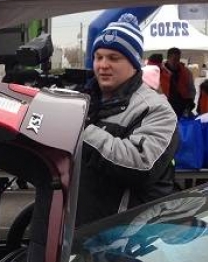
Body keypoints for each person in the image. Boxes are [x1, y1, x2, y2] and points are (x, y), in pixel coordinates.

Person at [77, 13, 179, 227]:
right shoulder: (81, 100)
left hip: (123, 238)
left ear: (134, 63)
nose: (103, 65)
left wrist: (78, 129)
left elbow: (141, 165)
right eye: (99, 57)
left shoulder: (156, 109)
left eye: (114, 58)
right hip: (75, 230)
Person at [163, 47, 196, 117]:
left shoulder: (186, 72)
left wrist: (190, 102)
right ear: (168, 58)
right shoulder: (160, 71)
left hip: (182, 105)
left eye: (178, 59)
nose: (176, 62)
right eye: (174, 59)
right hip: (165, 105)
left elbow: (191, 89)